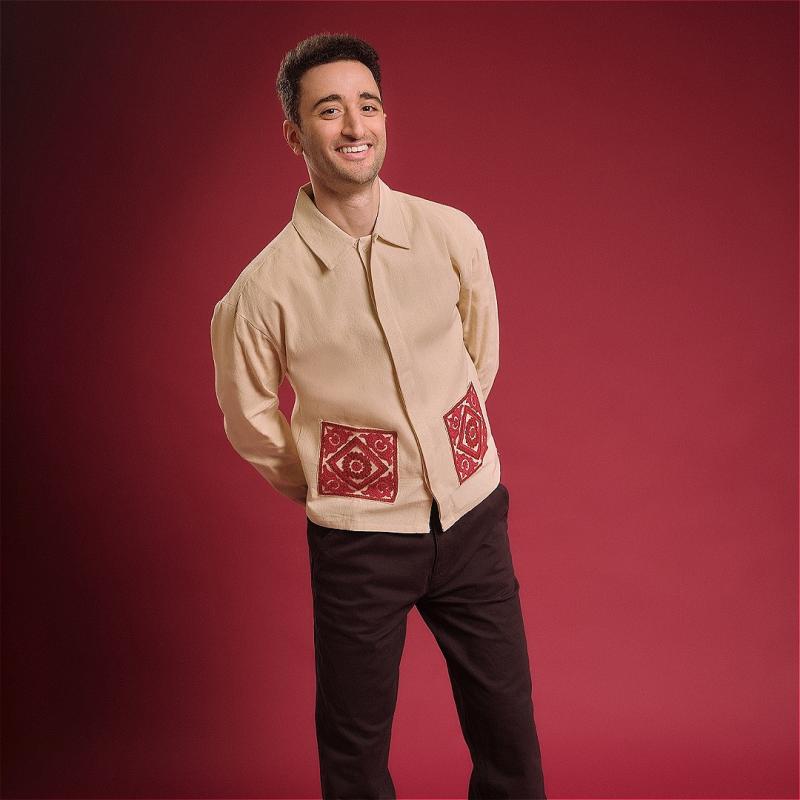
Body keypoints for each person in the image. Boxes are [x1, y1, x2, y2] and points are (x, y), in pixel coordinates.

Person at [210, 32, 547, 800]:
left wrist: (443, 452)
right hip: (359, 547)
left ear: (386, 119)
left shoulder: (452, 234)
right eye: (329, 110)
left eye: (368, 105)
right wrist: (336, 489)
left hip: (472, 522)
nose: (355, 126)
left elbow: (477, 357)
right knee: (355, 749)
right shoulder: (262, 292)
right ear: (296, 135)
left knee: (509, 731)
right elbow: (250, 420)